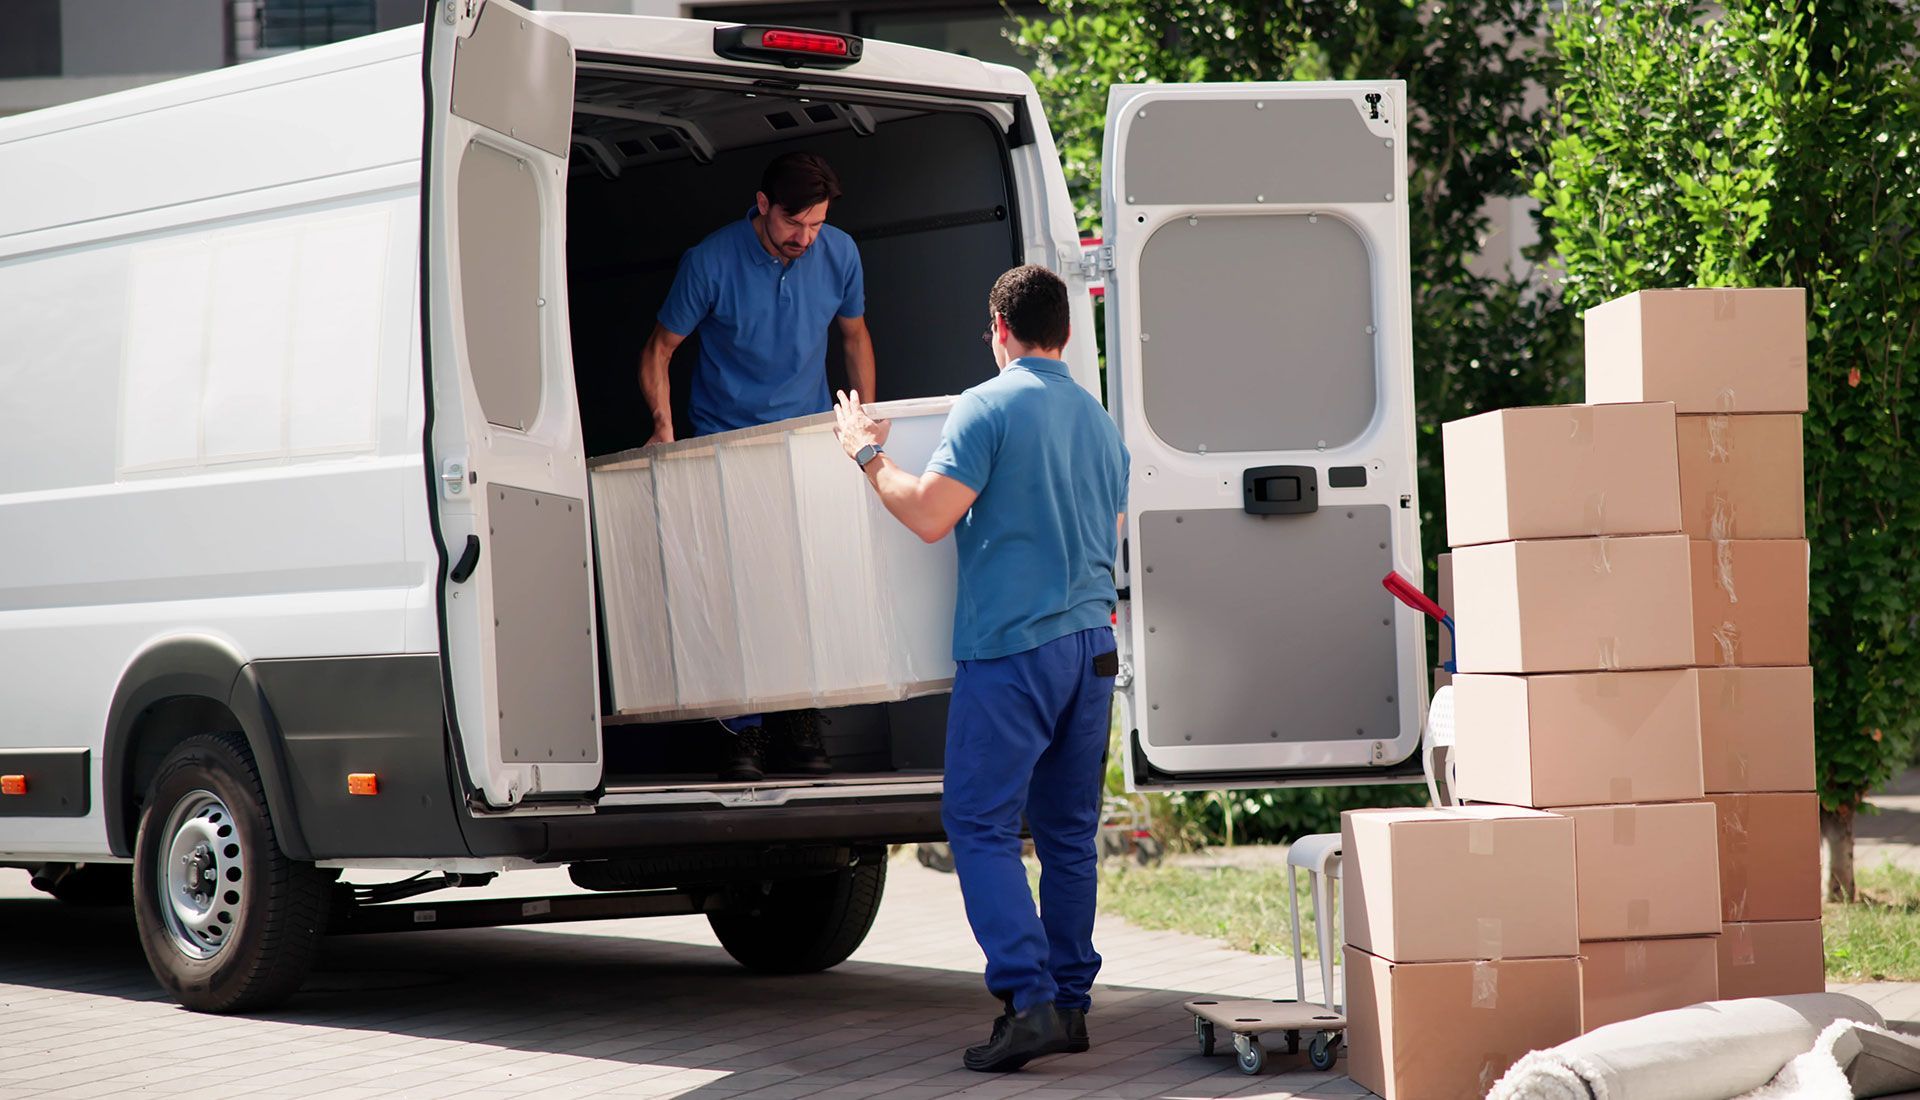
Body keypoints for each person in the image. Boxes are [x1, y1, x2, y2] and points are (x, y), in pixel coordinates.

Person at [833, 264, 1129, 1073]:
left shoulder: (987, 405)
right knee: (1069, 835)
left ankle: (1026, 1000)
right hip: (1091, 648)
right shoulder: (1102, 425)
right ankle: (1069, 1006)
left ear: (999, 330)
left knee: (978, 822)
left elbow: (929, 515)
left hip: (1016, 650)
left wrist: (865, 455)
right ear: (1062, 332)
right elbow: (1109, 529)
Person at [639, 151, 877, 782]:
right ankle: (739, 731)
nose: (805, 239)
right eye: (794, 224)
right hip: (725, 443)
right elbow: (659, 350)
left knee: (803, 590)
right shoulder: (710, 260)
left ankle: (798, 718)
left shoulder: (840, 254)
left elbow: (854, 337)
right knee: (738, 591)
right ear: (763, 205)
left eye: (817, 226)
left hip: (806, 440)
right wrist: (663, 428)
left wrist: (863, 423)